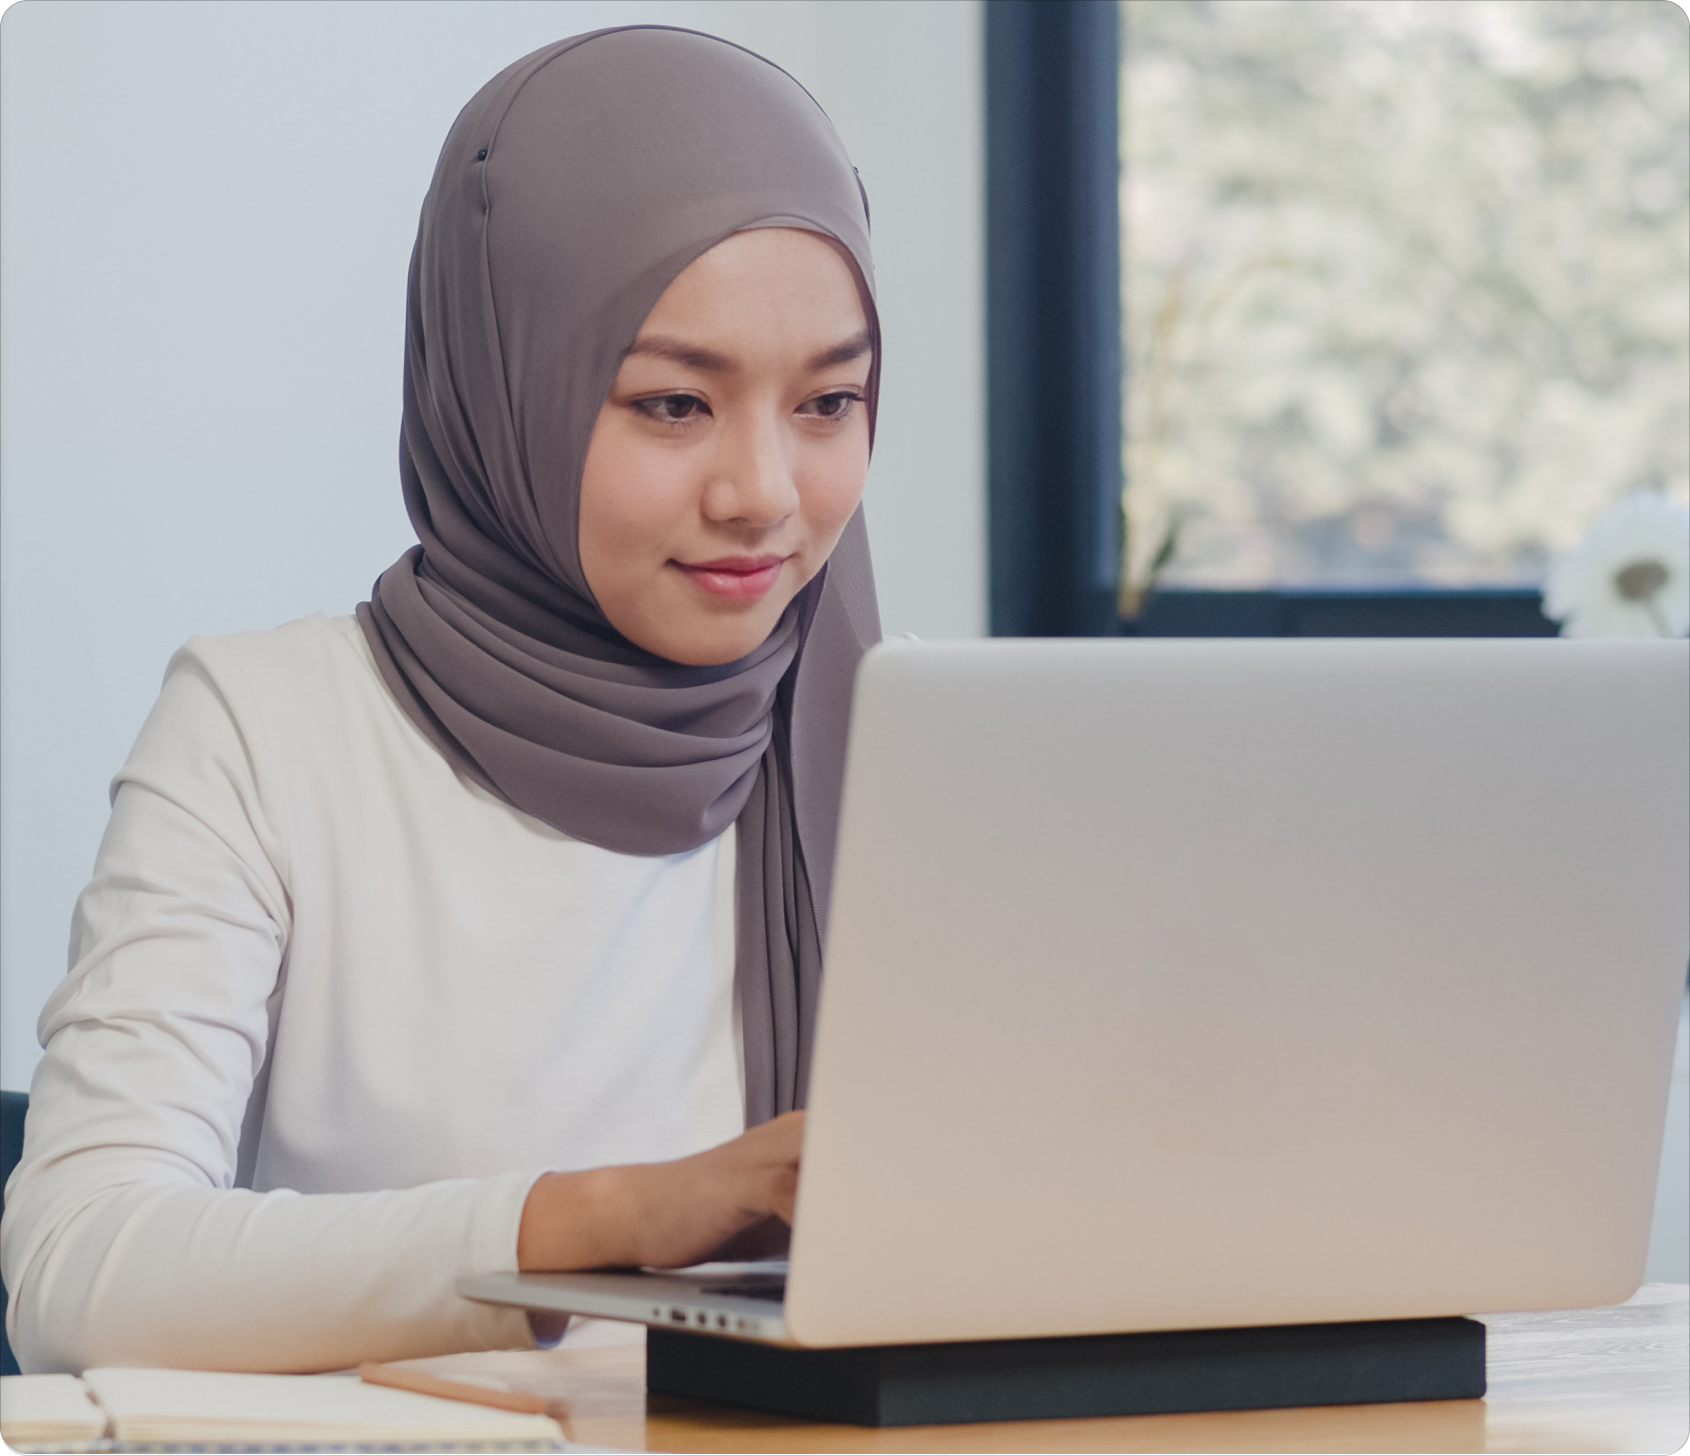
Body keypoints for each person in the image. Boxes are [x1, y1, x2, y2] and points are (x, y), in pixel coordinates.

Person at [0, 26, 882, 1374]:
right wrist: (612, 1215)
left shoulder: (900, 746)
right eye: (669, 404)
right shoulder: (265, 729)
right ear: (498, 382)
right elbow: (79, 1272)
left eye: (828, 402)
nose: (761, 491)